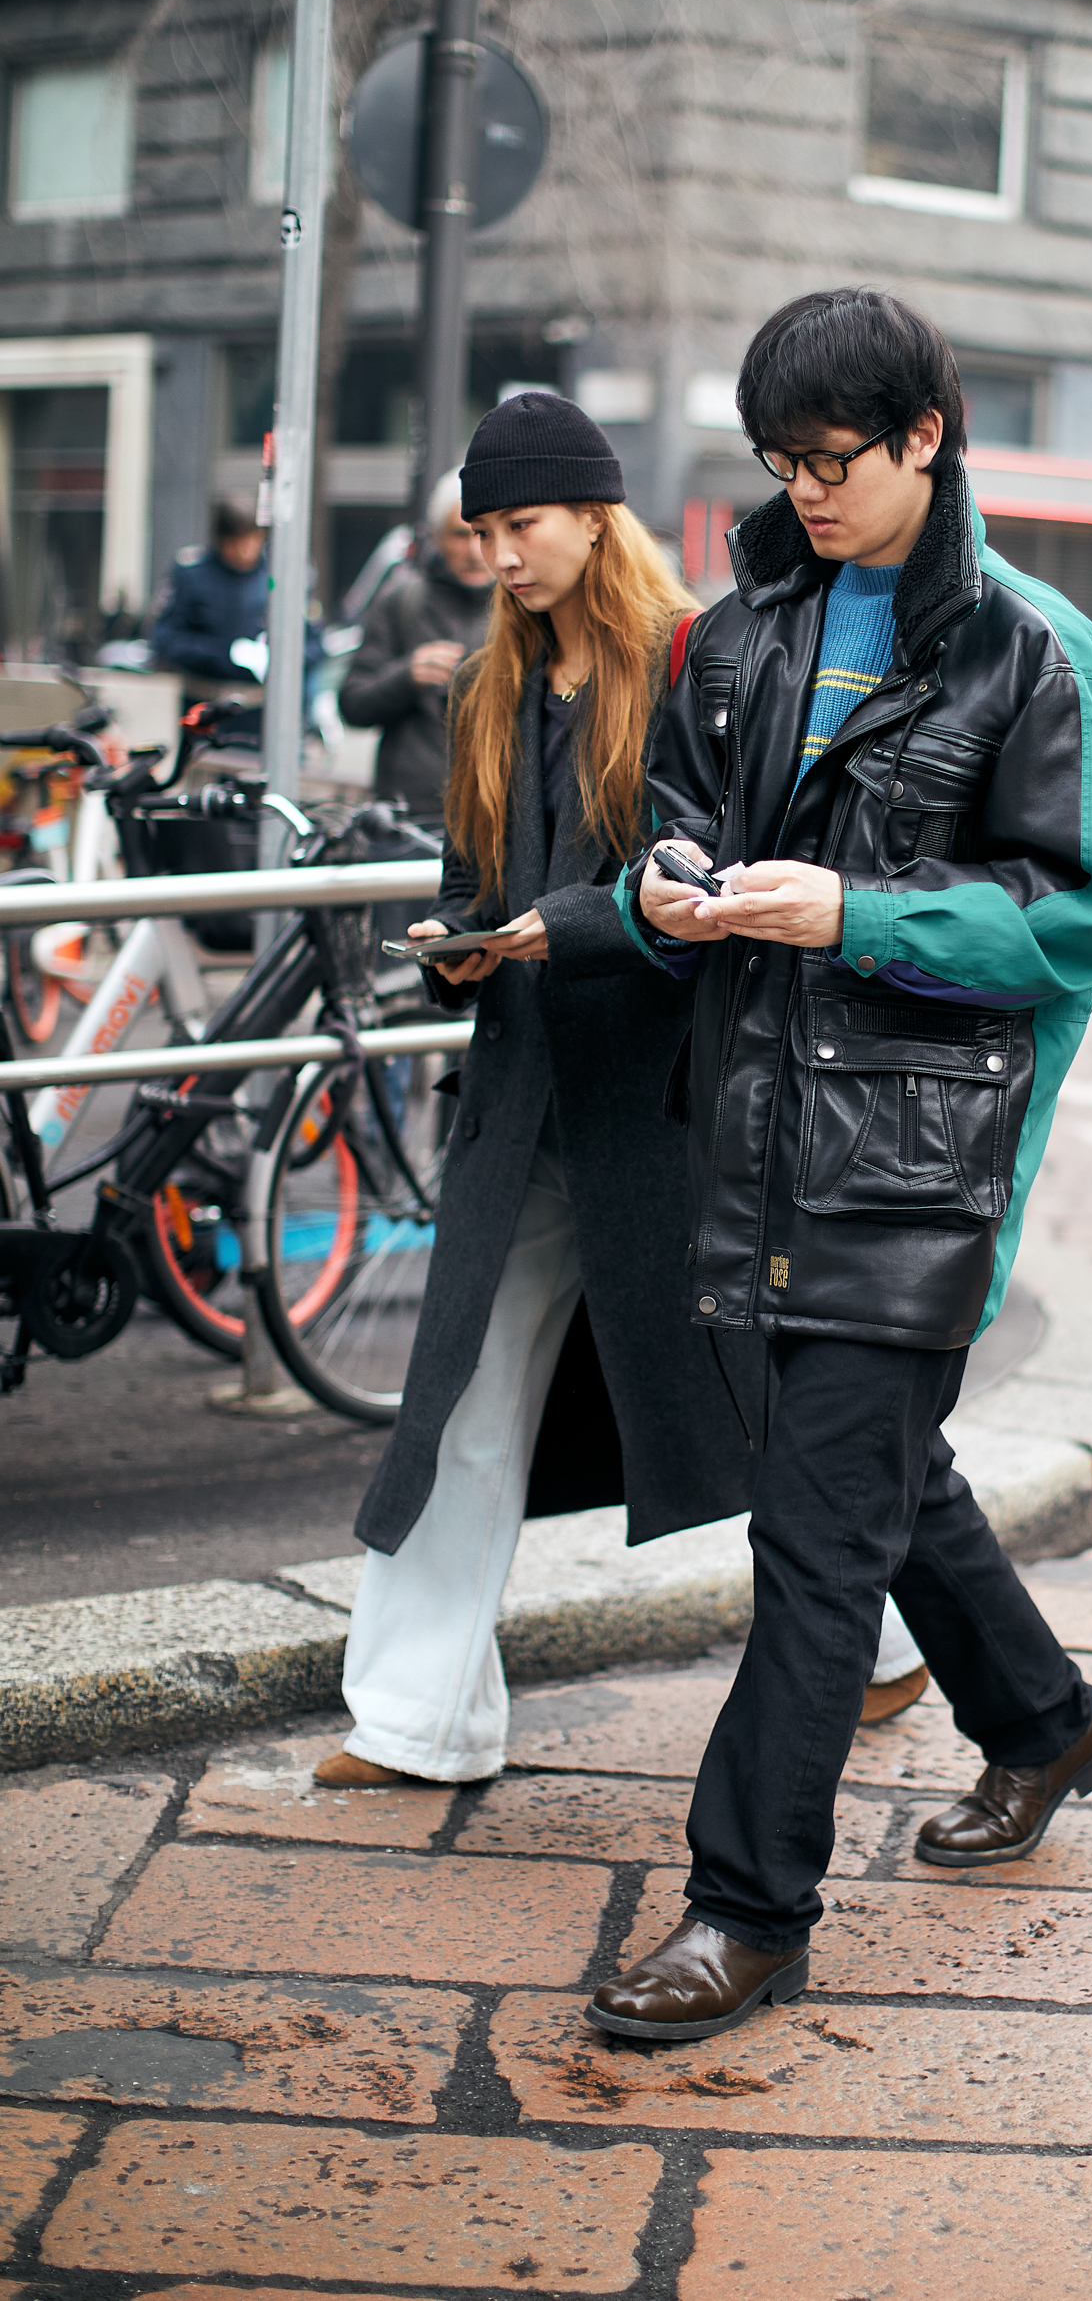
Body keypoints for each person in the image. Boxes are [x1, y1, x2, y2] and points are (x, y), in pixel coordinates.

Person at [590, 288, 1092, 2042]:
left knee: (815, 1539)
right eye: (779, 465)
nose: (805, 493)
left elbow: (1073, 926)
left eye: (834, 462)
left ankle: (746, 1907)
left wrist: (861, 915)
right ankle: (1042, 1722)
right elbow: (670, 830)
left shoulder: (1030, 648)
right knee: (874, 1488)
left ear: (926, 433)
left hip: (918, 1165)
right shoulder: (734, 631)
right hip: (746, 1143)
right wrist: (664, 892)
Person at [313, 392, 763, 1790]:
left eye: (524, 525)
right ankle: (413, 1719)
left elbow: (702, 868)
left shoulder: (695, 664)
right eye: (484, 531)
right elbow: (468, 876)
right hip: (518, 1106)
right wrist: (457, 948)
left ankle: (874, 1639)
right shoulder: (486, 687)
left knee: (763, 1396)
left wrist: (553, 930)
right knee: (457, 1400)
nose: (500, 555)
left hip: (661, 1108)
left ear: (592, 515)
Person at [338, 468, 495, 826]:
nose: (473, 551)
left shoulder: (527, 608)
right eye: (459, 535)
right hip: (409, 820)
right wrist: (406, 676)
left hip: (497, 821)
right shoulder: (401, 601)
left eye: (481, 534)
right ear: (436, 537)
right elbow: (353, 704)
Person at [149, 495, 270, 686]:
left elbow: (312, 643)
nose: (243, 552)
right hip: (204, 694)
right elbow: (165, 639)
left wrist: (271, 655)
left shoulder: (276, 576)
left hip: (259, 702)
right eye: (234, 543)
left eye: (250, 541)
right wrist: (225, 653)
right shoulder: (192, 574)